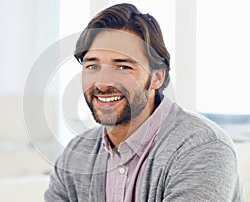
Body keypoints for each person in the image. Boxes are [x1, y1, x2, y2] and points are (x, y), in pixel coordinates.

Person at [45, 3, 243, 201]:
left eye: (123, 67)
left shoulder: (202, 147)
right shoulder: (75, 154)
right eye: (93, 65)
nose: (102, 83)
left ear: (156, 77)